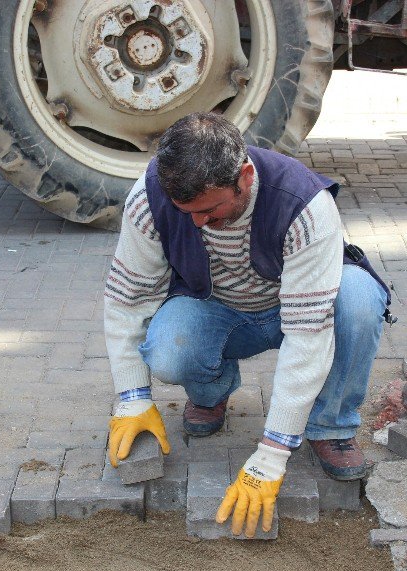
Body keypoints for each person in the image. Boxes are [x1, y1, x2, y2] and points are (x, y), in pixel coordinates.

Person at [104, 112, 391, 538]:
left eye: (210, 210)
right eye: (189, 214)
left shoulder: (304, 204)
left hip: (299, 307)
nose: (199, 223)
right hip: (217, 306)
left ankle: (330, 426)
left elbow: (307, 336)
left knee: (360, 300)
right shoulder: (150, 198)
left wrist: (273, 453)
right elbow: (129, 297)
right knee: (167, 350)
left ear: (245, 176)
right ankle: (211, 393)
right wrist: (132, 396)